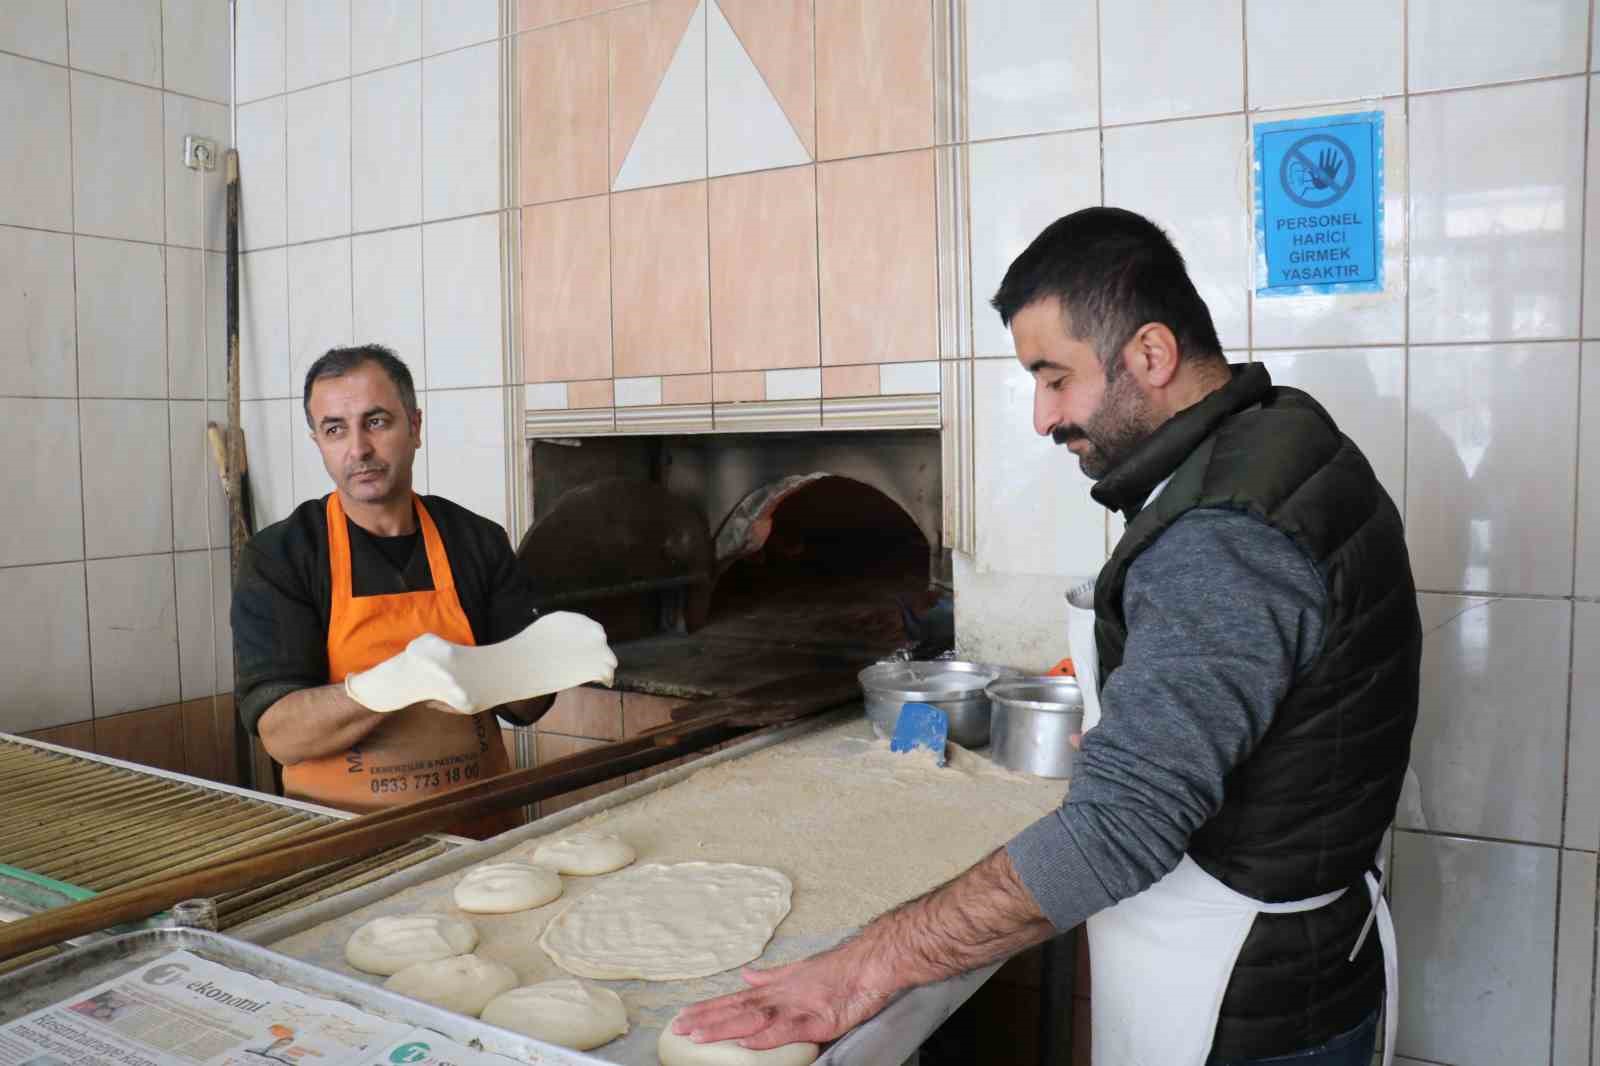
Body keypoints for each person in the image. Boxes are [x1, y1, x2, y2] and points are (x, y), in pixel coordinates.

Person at [674, 208, 1421, 1066]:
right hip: (1301, 953)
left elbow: (1119, 829)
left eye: (1054, 377)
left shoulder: (1223, 533)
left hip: (1243, 1003)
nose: (1040, 416)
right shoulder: (1280, 437)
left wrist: (860, 968)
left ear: (1150, 354)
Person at [232, 344, 557, 831]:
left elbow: (529, 706)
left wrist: (555, 657)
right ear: (318, 441)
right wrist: (400, 680)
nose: (358, 449)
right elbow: (283, 736)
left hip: (484, 832)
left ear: (415, 426)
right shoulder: (281, 556)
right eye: (335, 429)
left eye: (377, 421)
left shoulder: (475, 540)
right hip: (343, 842)